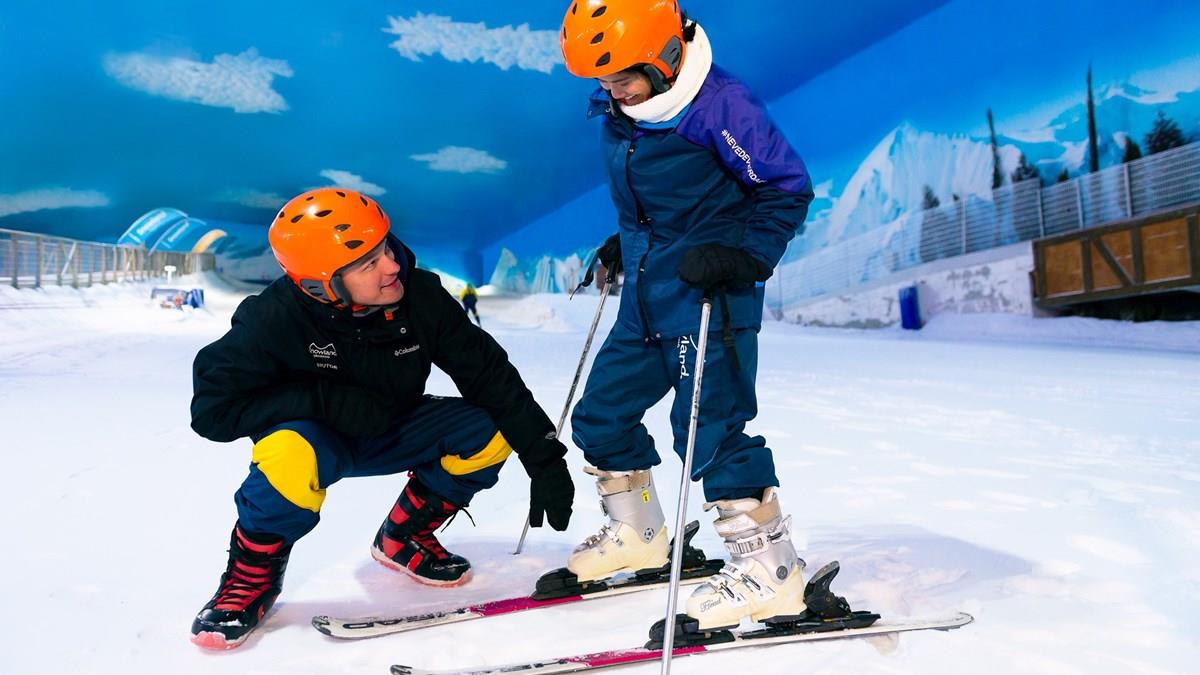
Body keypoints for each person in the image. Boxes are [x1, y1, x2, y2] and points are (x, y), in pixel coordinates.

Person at [187, 188, 575, 649]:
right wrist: (323, 401)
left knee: (491, 429)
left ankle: (404, 537)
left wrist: (544, 458)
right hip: (319, 441)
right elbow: (212, 411)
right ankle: (250, 579)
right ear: (322, 284)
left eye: (386, 248)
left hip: (396, 425)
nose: (391, 266)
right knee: (286, 452)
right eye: (368, 263)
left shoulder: (421, 296)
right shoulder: (273, 317)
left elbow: (491, 378)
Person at [560, 0, 819, 630]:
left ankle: (772, 574)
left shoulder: (720, 105)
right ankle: (641, 535)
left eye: (622, 77)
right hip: (646, 295)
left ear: (665, 58)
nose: (611, 91)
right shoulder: (626, 108)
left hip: (709, 296)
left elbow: (784, 188)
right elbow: (660, 200)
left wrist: (746, 256)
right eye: (603, 80)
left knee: (709, 429)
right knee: (600, 416)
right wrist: (629, 242)